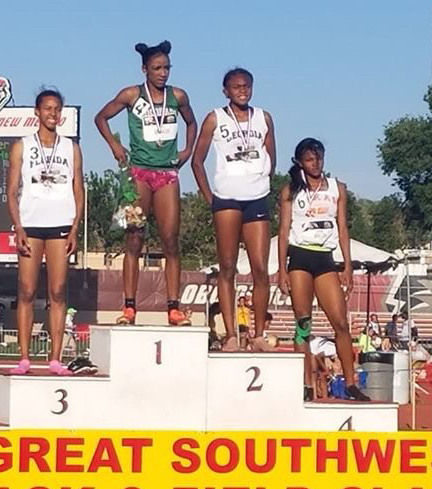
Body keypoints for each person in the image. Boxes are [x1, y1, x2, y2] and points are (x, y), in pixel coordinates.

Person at [95, 40, 197, 327]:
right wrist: (115, 146)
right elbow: (101, 117)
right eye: (157, 68)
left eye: (166, 68)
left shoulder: (178, 96)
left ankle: (173, 308)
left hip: (167, 175)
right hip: (139, 174)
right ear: (145, 70)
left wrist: (187, 151)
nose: (163, 73)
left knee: (170, 241)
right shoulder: (131, 95)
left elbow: (192, 122)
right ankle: (129, 307)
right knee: (134, 238)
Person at [277, 138, 369, 401]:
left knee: (340, 322)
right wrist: (282, 270)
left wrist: (348, 265)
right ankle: (305, 384)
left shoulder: (337, 188)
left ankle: (350, 383)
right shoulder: (290, 191)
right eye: (309, 160)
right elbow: (283, 231)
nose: (315, 164)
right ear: (299, 162)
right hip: (299, 257)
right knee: (303, 324)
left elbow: (343, 228)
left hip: (325, 259)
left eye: (318, 158)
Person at [191, 67, 276, 352]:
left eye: (247, 86)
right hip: (226, 199)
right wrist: (210, 198)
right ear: (225, 91)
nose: (242, 90)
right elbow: (197, 161)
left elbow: (271, 157)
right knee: (227, 268)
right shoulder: (215, 118)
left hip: (257, 198)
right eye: (236, 87)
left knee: (260, 269)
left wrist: (261, 180)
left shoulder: (264, 118)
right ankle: (230, 335)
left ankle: (259, 334)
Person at [7, 89, 85, 375]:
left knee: (58, 292)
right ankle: (24, 357)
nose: (53, 114)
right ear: (37, 112)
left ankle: (55, 359)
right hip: (31, 225)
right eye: (48, 109)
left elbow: (78, 188)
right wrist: (18, 226)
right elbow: (11, 190)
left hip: (61, 224)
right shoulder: (22, 146)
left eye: (57, 109)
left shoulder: (71, 148)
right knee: (27, 290)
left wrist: (75, 227)